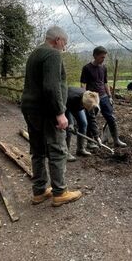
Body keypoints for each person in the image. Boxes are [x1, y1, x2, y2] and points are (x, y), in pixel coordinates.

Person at [21, 25, 82, 207]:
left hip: (30, 108)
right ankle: (60, 192)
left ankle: (39, 192)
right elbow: (51, 86)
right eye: (65, 43)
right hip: (46, 111)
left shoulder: (35, 53)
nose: (64, 48)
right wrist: (60, 113)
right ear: (58, 40)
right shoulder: (53, 54)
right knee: (57, 149)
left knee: (38, 150)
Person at [80, 46, 127, 147]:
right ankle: (90, 142)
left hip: (104, 96)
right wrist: (85, 99)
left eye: (104, 57)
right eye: (102, 57)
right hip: (92, 98)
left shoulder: (103, 68)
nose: (103, 59)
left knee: (111, 118)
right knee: (91, 119)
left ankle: (116, 140)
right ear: (95, 56)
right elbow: (83, 84)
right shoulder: (86, 68)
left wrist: (110, 96)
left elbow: (105, 83)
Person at [65, 87, 102, 161]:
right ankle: (66, 153)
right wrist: (72, 124)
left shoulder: (91, 101)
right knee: (69, 128)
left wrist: (97, 136)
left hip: (77, 105)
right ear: (84, 104)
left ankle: (80, 149)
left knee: (84, 123)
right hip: (66, 105)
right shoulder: (72, 97)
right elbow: (67, 111)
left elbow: (92, 119)